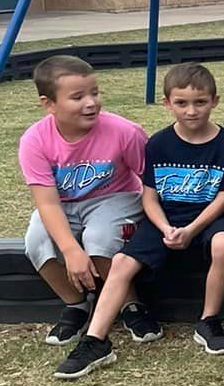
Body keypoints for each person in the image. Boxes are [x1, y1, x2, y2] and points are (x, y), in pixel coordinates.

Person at [53, 64, 224, 380]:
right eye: (181, 103)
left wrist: (193, 229)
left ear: (215, 101)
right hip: (164, 219)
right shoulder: (157, 143)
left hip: (209, 217)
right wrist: (166, 227)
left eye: (200, 102)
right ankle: (95, 340)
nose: (191, 111)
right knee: (122, 262)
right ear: (168, 103)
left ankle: (209, 320)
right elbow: (149, 196)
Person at [20, 56, 152, 349]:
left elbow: (150, 182)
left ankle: (130, 304)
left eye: (95, 92)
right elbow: (48, 204)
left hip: (115, 197)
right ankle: (77, 304)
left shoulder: (124, 132)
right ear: (49, 104)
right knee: (37, 239)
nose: (91, 102)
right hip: (63, 204)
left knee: (99, 238)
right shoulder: (35, 140)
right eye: (77, 97)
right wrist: (70, 250)